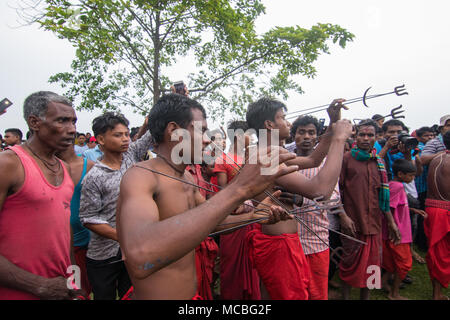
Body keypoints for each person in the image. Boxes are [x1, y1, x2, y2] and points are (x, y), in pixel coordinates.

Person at [116, 93, 295, 299]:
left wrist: (252, 217)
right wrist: (238, 190)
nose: (209, 139)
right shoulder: (142, 175)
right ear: (174, 131)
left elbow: (212, 223)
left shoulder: (187, 178)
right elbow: (141, 256)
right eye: (201, 130)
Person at [245, 97, 352, 300]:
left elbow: (314, 159)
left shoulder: (271, 153)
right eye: (283, 118)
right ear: (269, 124)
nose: (289, 123)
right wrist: (339, 139)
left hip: (282, 240)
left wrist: (333, 123)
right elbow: (320, 191)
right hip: (278, 243)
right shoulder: (266, 157)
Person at [0, 91, 84, 299]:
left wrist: (74, 279)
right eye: (62, 121)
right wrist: (37, 285)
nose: (72, 129)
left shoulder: (64, 169)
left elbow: (64, 232)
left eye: (73, 121)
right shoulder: (9, 164)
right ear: (34, 123)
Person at [79, 112, 152, 300]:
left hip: (132, 251)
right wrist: (121, 237)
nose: (125, 139)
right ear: (101, 139)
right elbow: (88, 218)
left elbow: (150, 134)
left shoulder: (131, 156)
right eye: (118, 135)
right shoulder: (94, 177)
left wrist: (172, 101)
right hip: (104, 256)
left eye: (127, 134)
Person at [339, 119, 400, 300]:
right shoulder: (346, 159)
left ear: (376, 137)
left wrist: (391, 222)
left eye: (370, 135)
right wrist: (343, 216)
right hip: (352, 223)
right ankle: (345, 297)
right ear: (356, 136)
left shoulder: (379, 161)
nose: (366, 138)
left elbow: (383, 195)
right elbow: (336, 191)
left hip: (374, 223)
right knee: (348, 263)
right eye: (362, 135)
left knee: (372, 266)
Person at [289, 115, 342, 300]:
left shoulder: (328, 163)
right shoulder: (286, 161)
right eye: (301, 132)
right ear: (293, 135)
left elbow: (333, 199)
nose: (306, 136)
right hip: (289, 242)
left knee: (316, 293)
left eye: (311, 132)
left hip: (316, 241)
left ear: (318, 136)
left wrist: (302, 200)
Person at [212, 120, 261, 300]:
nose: (252, 138)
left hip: (250, 216)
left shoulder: (252, 158)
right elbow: (222, 190)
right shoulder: (223, 159)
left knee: (252, 262)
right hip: (232, 217)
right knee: (231, 263)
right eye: (249, 134)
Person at [381, 159, 427, 300]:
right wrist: (394, 227)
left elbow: (397, 205)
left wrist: (412, 210)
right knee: (404, 264)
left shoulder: (393, 185)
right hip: (398, 233)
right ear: (400, 174)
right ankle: (394, 294)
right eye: (411, 175)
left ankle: (382, 283)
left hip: (393, 232)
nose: (413, 178)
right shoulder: (397, 187)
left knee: (391, 263)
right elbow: (388, 207)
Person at [57, 140, 95, 297]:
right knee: (70, 287)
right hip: (60, 243)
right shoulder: (46, 167)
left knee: (85, 286)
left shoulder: (90, 167)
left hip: (87, 239)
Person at [424, 130, 450, 300]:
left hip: (431, 208)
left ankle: (437, 293)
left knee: (437, 254)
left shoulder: (436, 159)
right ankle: (437, 294)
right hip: (445, 211)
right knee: (442, 255)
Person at [414, 126, 435, 253]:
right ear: (419, 137)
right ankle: (421, 243)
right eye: (427, 136)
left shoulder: (429, 148)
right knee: (421, 216)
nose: (430, 138)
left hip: (425, 187)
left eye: (432, 135)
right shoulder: (419, 148)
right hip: (419, 187)